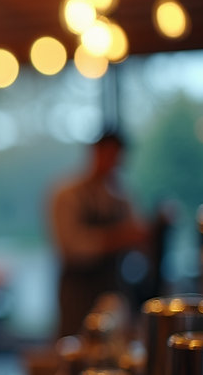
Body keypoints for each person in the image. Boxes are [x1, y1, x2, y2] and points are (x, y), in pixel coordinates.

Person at [50, 131, 149, 338]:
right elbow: (72, 247)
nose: (112, 163)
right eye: (108, 155)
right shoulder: (68, 194)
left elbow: (138, 243)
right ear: (94, 153)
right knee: (76, 344)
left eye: (117, 157)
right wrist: (121, 237)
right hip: (78, 291)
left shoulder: (122, 197)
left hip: (114, 287)